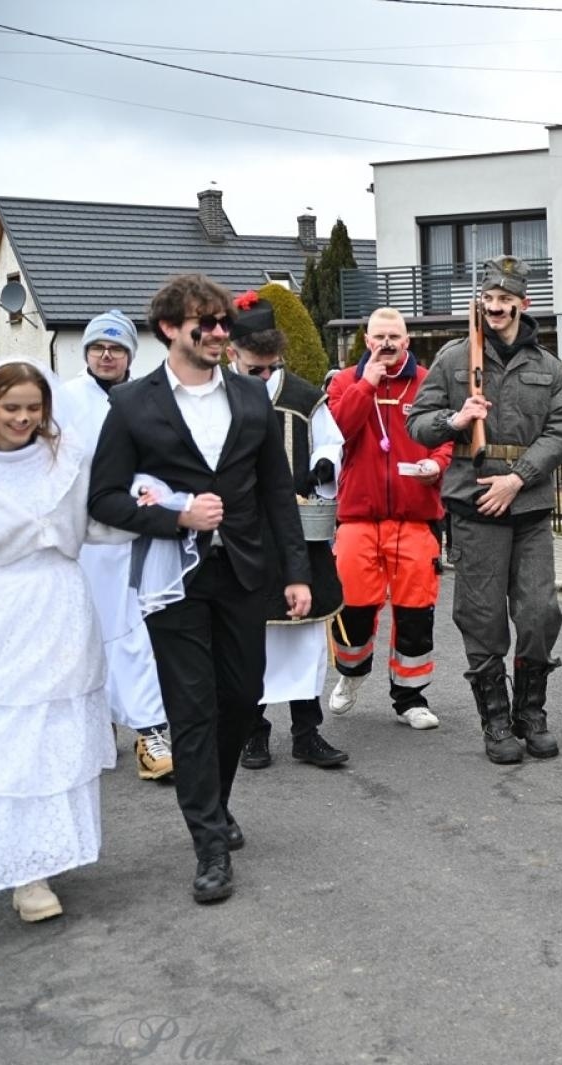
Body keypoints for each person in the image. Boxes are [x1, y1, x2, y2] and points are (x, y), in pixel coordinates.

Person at [90, 274, 312, 905]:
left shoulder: (249, 398)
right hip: (173, 577)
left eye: (223, 323)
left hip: (245, 570)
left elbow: (276, 491)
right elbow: (103, 497)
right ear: (169, 329)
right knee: (192, 705)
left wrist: (296, 573)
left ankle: (214, 800)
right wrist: (175, 518)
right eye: (205, 323)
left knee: (242, 695)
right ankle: (209, 843)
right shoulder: (132, 404)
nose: (220, 333)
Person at [408, 258, 562, 765]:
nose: (496, 306)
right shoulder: (455, 359)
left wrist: (518, 478)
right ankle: (496, 719)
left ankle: (531, 713)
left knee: (540, 611)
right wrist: (455, 419)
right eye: (489, 298)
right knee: (481, 615)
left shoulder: (546, 367)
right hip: (475, 503)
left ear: (523, 304)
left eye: (506, 299)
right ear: (481, 301)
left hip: (527, 505)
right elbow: (418, 423)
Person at [0, 361, 123, 922]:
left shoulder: (68, 458)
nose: (24, 419)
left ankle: (34, 869)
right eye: (12, 407)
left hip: (56, 603)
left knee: (47, 735)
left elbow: (101, 520)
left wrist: (162, 511)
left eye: (34, 408)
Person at [226, 294, 349, 771]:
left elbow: (332, 440)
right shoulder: (219, 393)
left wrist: (323, 463)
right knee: (247, 634)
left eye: (266, 367)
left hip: (297, 530)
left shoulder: (303, 396)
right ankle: (252, 732)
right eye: (251, 367)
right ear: (233, 354)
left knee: (304, 635)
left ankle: (306, 731)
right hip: (244, 533)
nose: (259, 376)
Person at [53, 310, 174, 782]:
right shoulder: (64, 401)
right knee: (86, 638)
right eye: (98, 347)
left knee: (136, 639)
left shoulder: (149, 398)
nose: (107, 355)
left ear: (130, 355)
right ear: (86, 353)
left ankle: (149, 731)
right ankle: (97, 726)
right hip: (84, 540)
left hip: (137, 535)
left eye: (117, 347)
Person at [326, 308, 451, 734]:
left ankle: (410, 698)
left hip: (415, 517)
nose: (387, 343)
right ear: (366, 340)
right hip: (358, 517)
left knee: (416, 612)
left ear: (408, 340)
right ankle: (352, 672)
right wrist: (367, 384)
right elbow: (338, 432)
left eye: (394, 336)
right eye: (379, 336)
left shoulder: (429, 381)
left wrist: (438, 464)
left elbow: (446, 435)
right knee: (354, 608)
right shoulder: (345, 382)